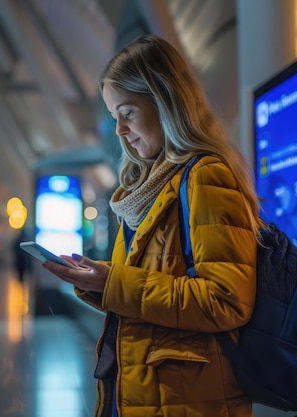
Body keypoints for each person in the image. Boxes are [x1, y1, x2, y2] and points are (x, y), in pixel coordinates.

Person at [42, 35, 264, 417]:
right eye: (115, 118)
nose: (120, 131)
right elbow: (149, 288)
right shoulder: (147, 187)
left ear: (165, 102)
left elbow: (226, 302)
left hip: (189, 399)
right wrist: (97, 284)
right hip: (147, 391)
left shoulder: (206, 177)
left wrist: (113, 283)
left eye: (127, 113)